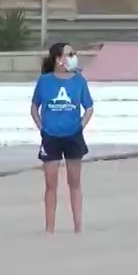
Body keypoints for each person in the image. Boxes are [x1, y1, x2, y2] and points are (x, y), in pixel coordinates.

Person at [31, 42, 94, 234]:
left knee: (74, 182)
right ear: (59, 59)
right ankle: (50, 228)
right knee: (51, 184)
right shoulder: (45, 81)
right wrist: (43, 129)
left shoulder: (79, 81)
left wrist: (80, 127)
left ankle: (78, 227)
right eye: (69, 54)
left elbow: (89, 108)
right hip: (51, 137)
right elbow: (35, 108)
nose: (74, 57)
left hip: (73, 137)